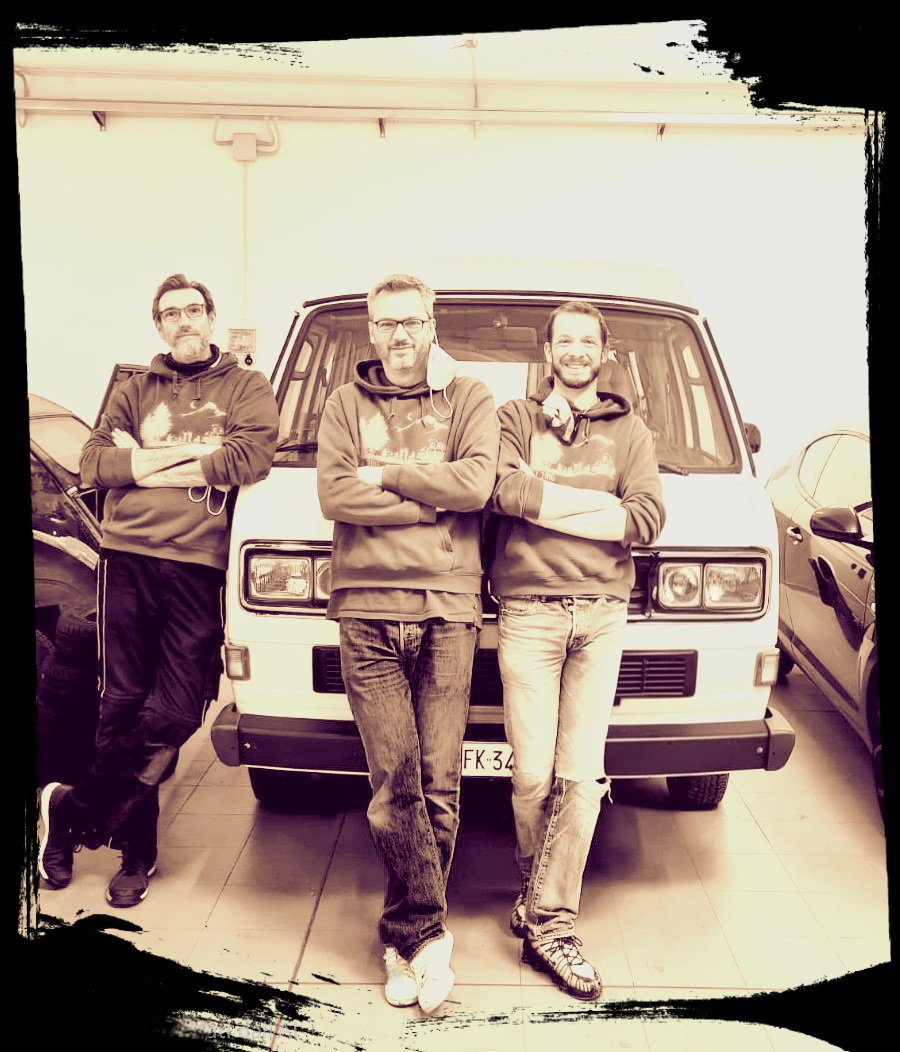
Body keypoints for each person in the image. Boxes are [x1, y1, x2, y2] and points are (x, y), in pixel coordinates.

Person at [38, 273, 279, 908]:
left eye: (193, 310)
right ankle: (135, 853)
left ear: (211, 318)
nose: (184, 321)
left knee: (175, 712)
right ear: (159, 326)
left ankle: (71, 810)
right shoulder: (134, 389)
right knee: (121, 708)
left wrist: (142, 463)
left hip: (197, 566)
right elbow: (94, 464)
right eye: (171, 314)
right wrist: (194, 460)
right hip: (128, 560)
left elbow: (248, 458)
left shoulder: (247, 386)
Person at [316, 273, 499, 1014]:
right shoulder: (343, 403)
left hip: (448, 609)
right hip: (364, 609)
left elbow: (476, 485)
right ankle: (425, 936)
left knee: (439, 782)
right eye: (386, 324)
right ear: (372, 332)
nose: (399, 336)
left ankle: (404, 938)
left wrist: (387, 476)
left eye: (411, 323)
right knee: (394, 783)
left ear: (431, 327)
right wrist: (428, 503)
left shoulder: (471, 397)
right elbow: (334, 493)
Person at [488, 300, 665, 1000]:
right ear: (549, 351)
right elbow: (503, 489)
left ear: (603, 351)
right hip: (528, 613)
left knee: (582, 779)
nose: (576, 350)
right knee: (532, 776)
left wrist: (547, 501)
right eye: (565, 340)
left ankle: (550, 924)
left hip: (601, 617)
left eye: (587, 340)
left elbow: (646, 519)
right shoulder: (515, 417)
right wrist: (601, 513)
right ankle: (540, 901)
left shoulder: (632, 431)